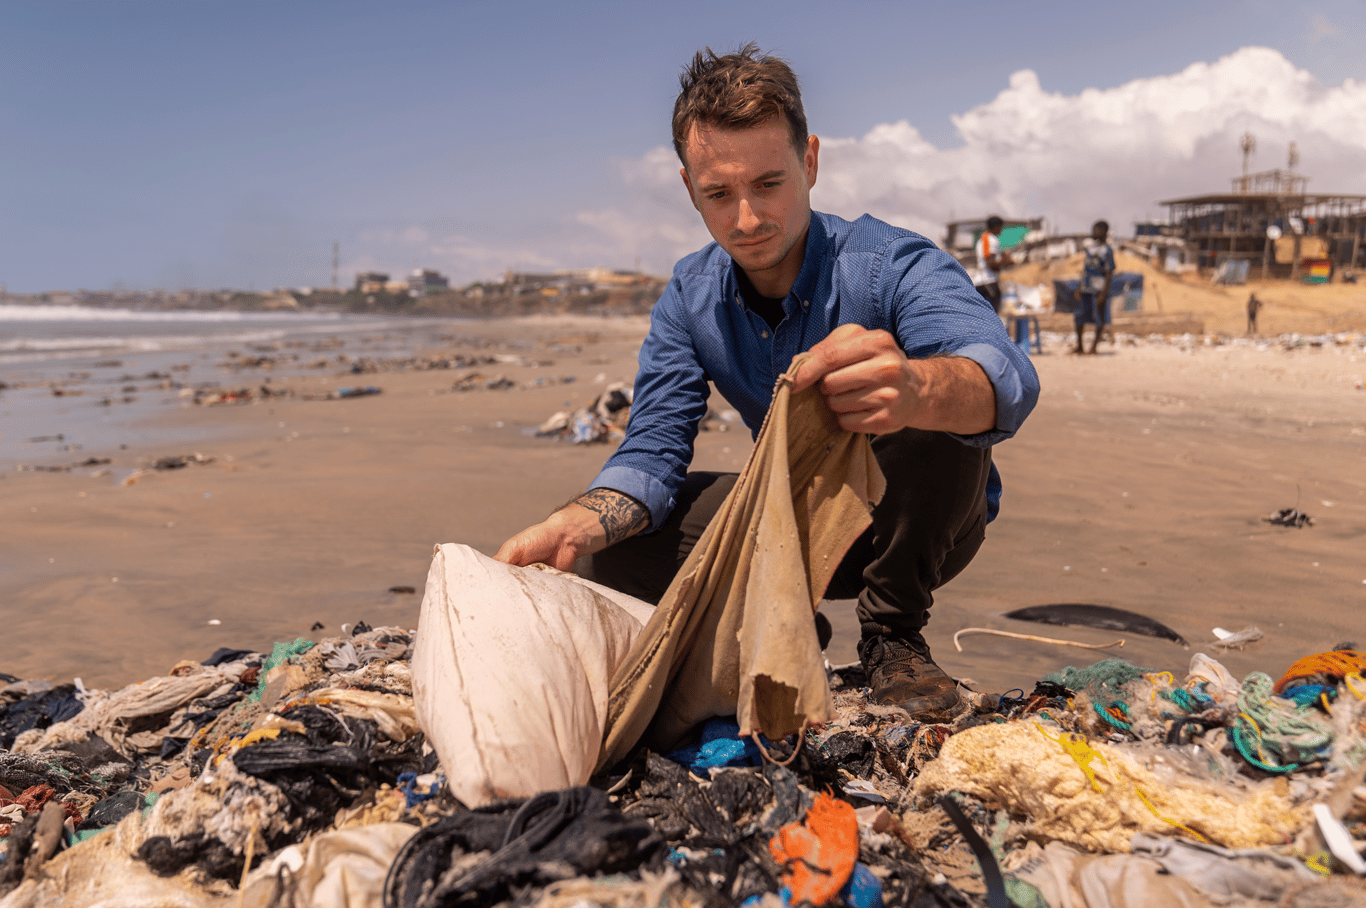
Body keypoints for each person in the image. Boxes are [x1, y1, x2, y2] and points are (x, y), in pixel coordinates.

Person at [495, 44, 1039, 722]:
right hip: (786, 534)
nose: (747, 219)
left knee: (917, 405)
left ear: (809, 162)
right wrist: (575, 522)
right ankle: (784, 631)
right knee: (613, 551)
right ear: (689, 187)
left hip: (913, 530)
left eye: (769, 184)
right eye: (719, 194)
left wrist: (915, 387)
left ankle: (892, 637)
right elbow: (653, 451)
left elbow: (1005, 375)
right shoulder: (691, 296)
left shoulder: (887, 263)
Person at [1073, 220, 1115, 354]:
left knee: (1099, 318)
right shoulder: (1090, 249)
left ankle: (1093, 348)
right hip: (1085, 288)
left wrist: (1104, 293)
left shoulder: (1107, 251)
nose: (1094, 232)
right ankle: (1079, 346)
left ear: (1104, 232)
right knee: (1079, 316)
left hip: (1098, 289)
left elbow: (1109, 273)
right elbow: (1085, 270)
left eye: (1097, 230)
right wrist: (1079, 287)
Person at [975, 216, 1012, 313]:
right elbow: (990, 263)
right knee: (992, 316)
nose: (1001, 229)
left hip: (980, 282)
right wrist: (1007, 262)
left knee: (982, 315)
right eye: (1000, 227)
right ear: (996, 227)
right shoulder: (991, 239)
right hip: (988, 282)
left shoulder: (982, 240)